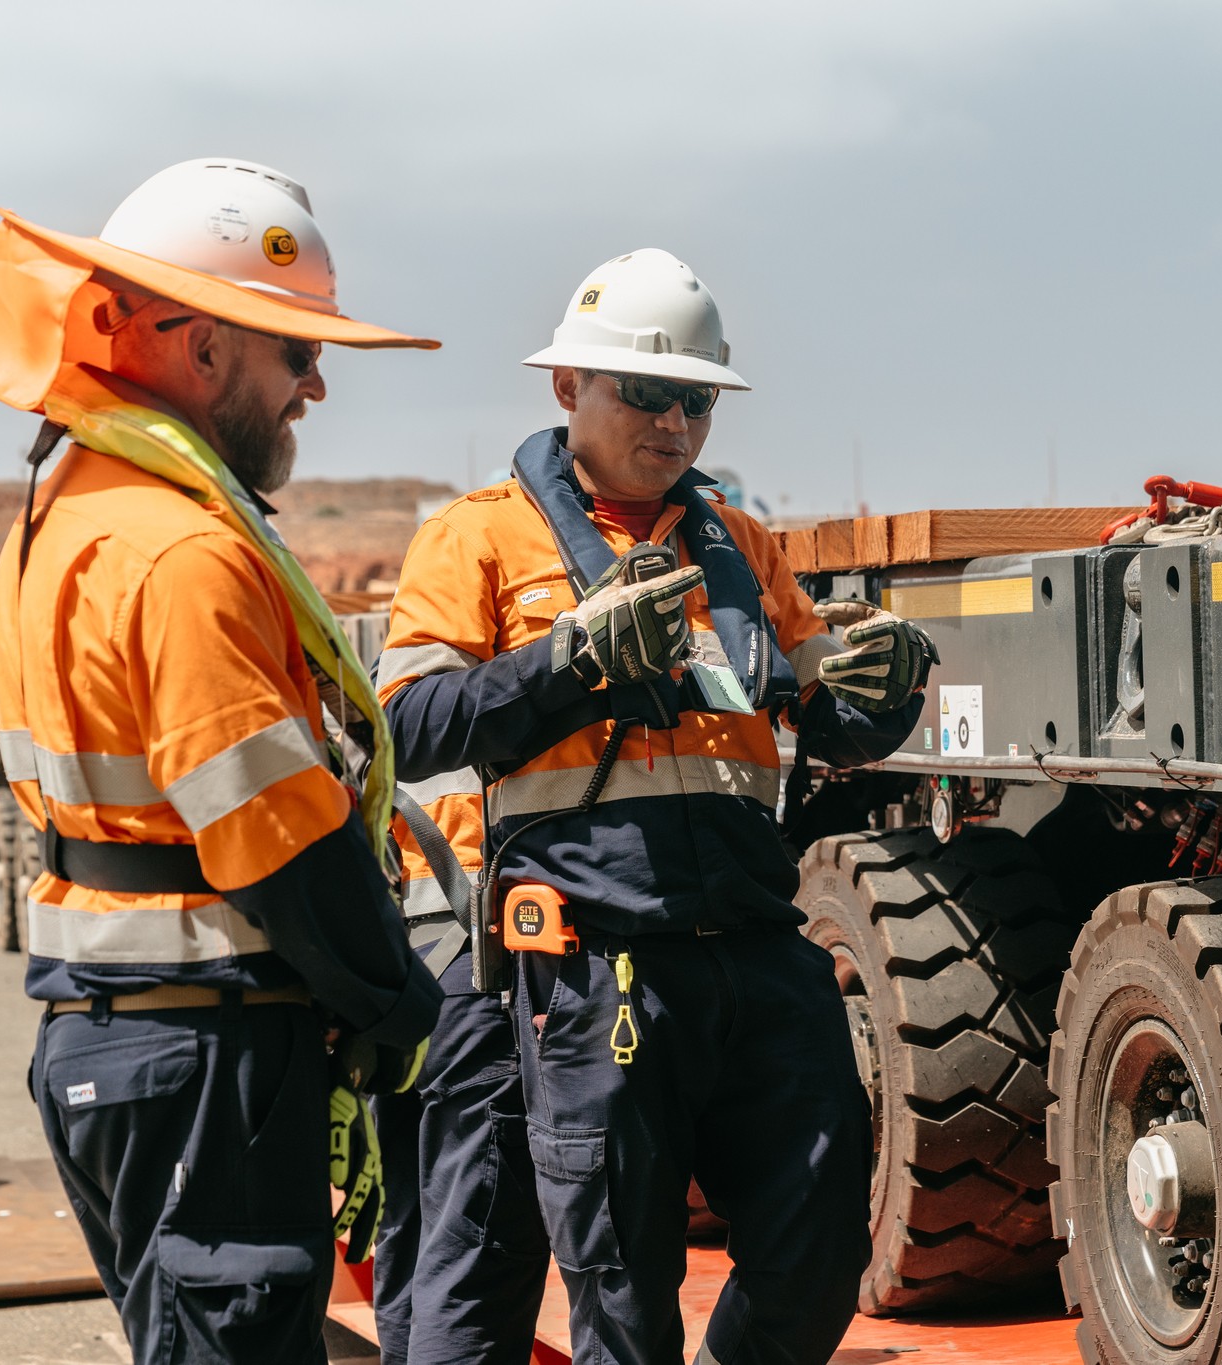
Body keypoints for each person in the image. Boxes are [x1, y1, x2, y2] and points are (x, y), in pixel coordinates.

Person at [376, 247, 936, 1365]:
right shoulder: (476, 537)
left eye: (697, 400)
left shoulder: (739, 547)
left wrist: (883, 697)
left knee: (822, 1247)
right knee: (621, 1294)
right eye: (646, 392)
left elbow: (823, 717)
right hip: (595, 962)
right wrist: (569, 662)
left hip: (752, 945)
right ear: (567, 386)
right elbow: (412, 726)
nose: (676, 423)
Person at [0, 158, 443, 1363]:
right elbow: (277, 833)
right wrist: (399, 1004)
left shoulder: (69, 511)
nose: (315, 385)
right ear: (204, 347)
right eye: (296, 351)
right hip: (204, 1058)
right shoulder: (180, 553)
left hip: (128, 1043)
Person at [369, 770, 552, 1364]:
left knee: (412, 1229)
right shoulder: (479, 710)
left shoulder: (383, 713)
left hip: (400, 970)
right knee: (476, 1245)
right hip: (477, 970)